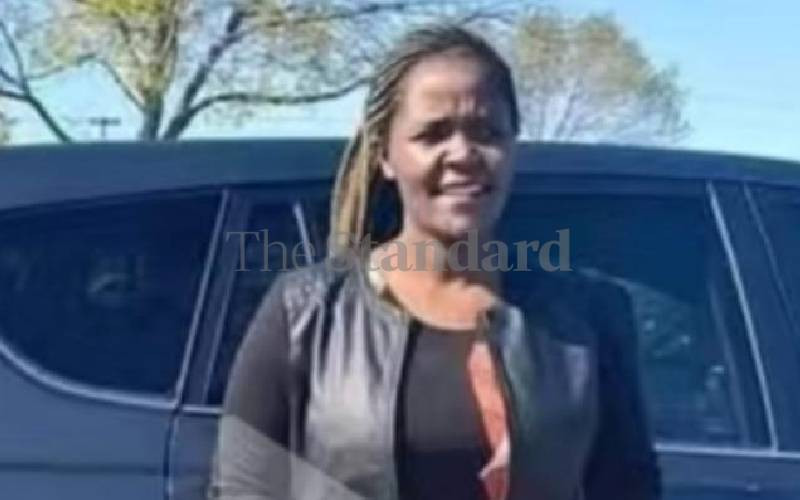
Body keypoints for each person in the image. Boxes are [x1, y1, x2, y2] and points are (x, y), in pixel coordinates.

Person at [211, 24, 661, 500]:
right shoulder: (305, 313)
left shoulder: (587, 316)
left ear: (513, 147)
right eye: (432, 134)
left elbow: (629, 487)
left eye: (487, 133)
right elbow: (243, 490)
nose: (463, 154)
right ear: (385, 155)